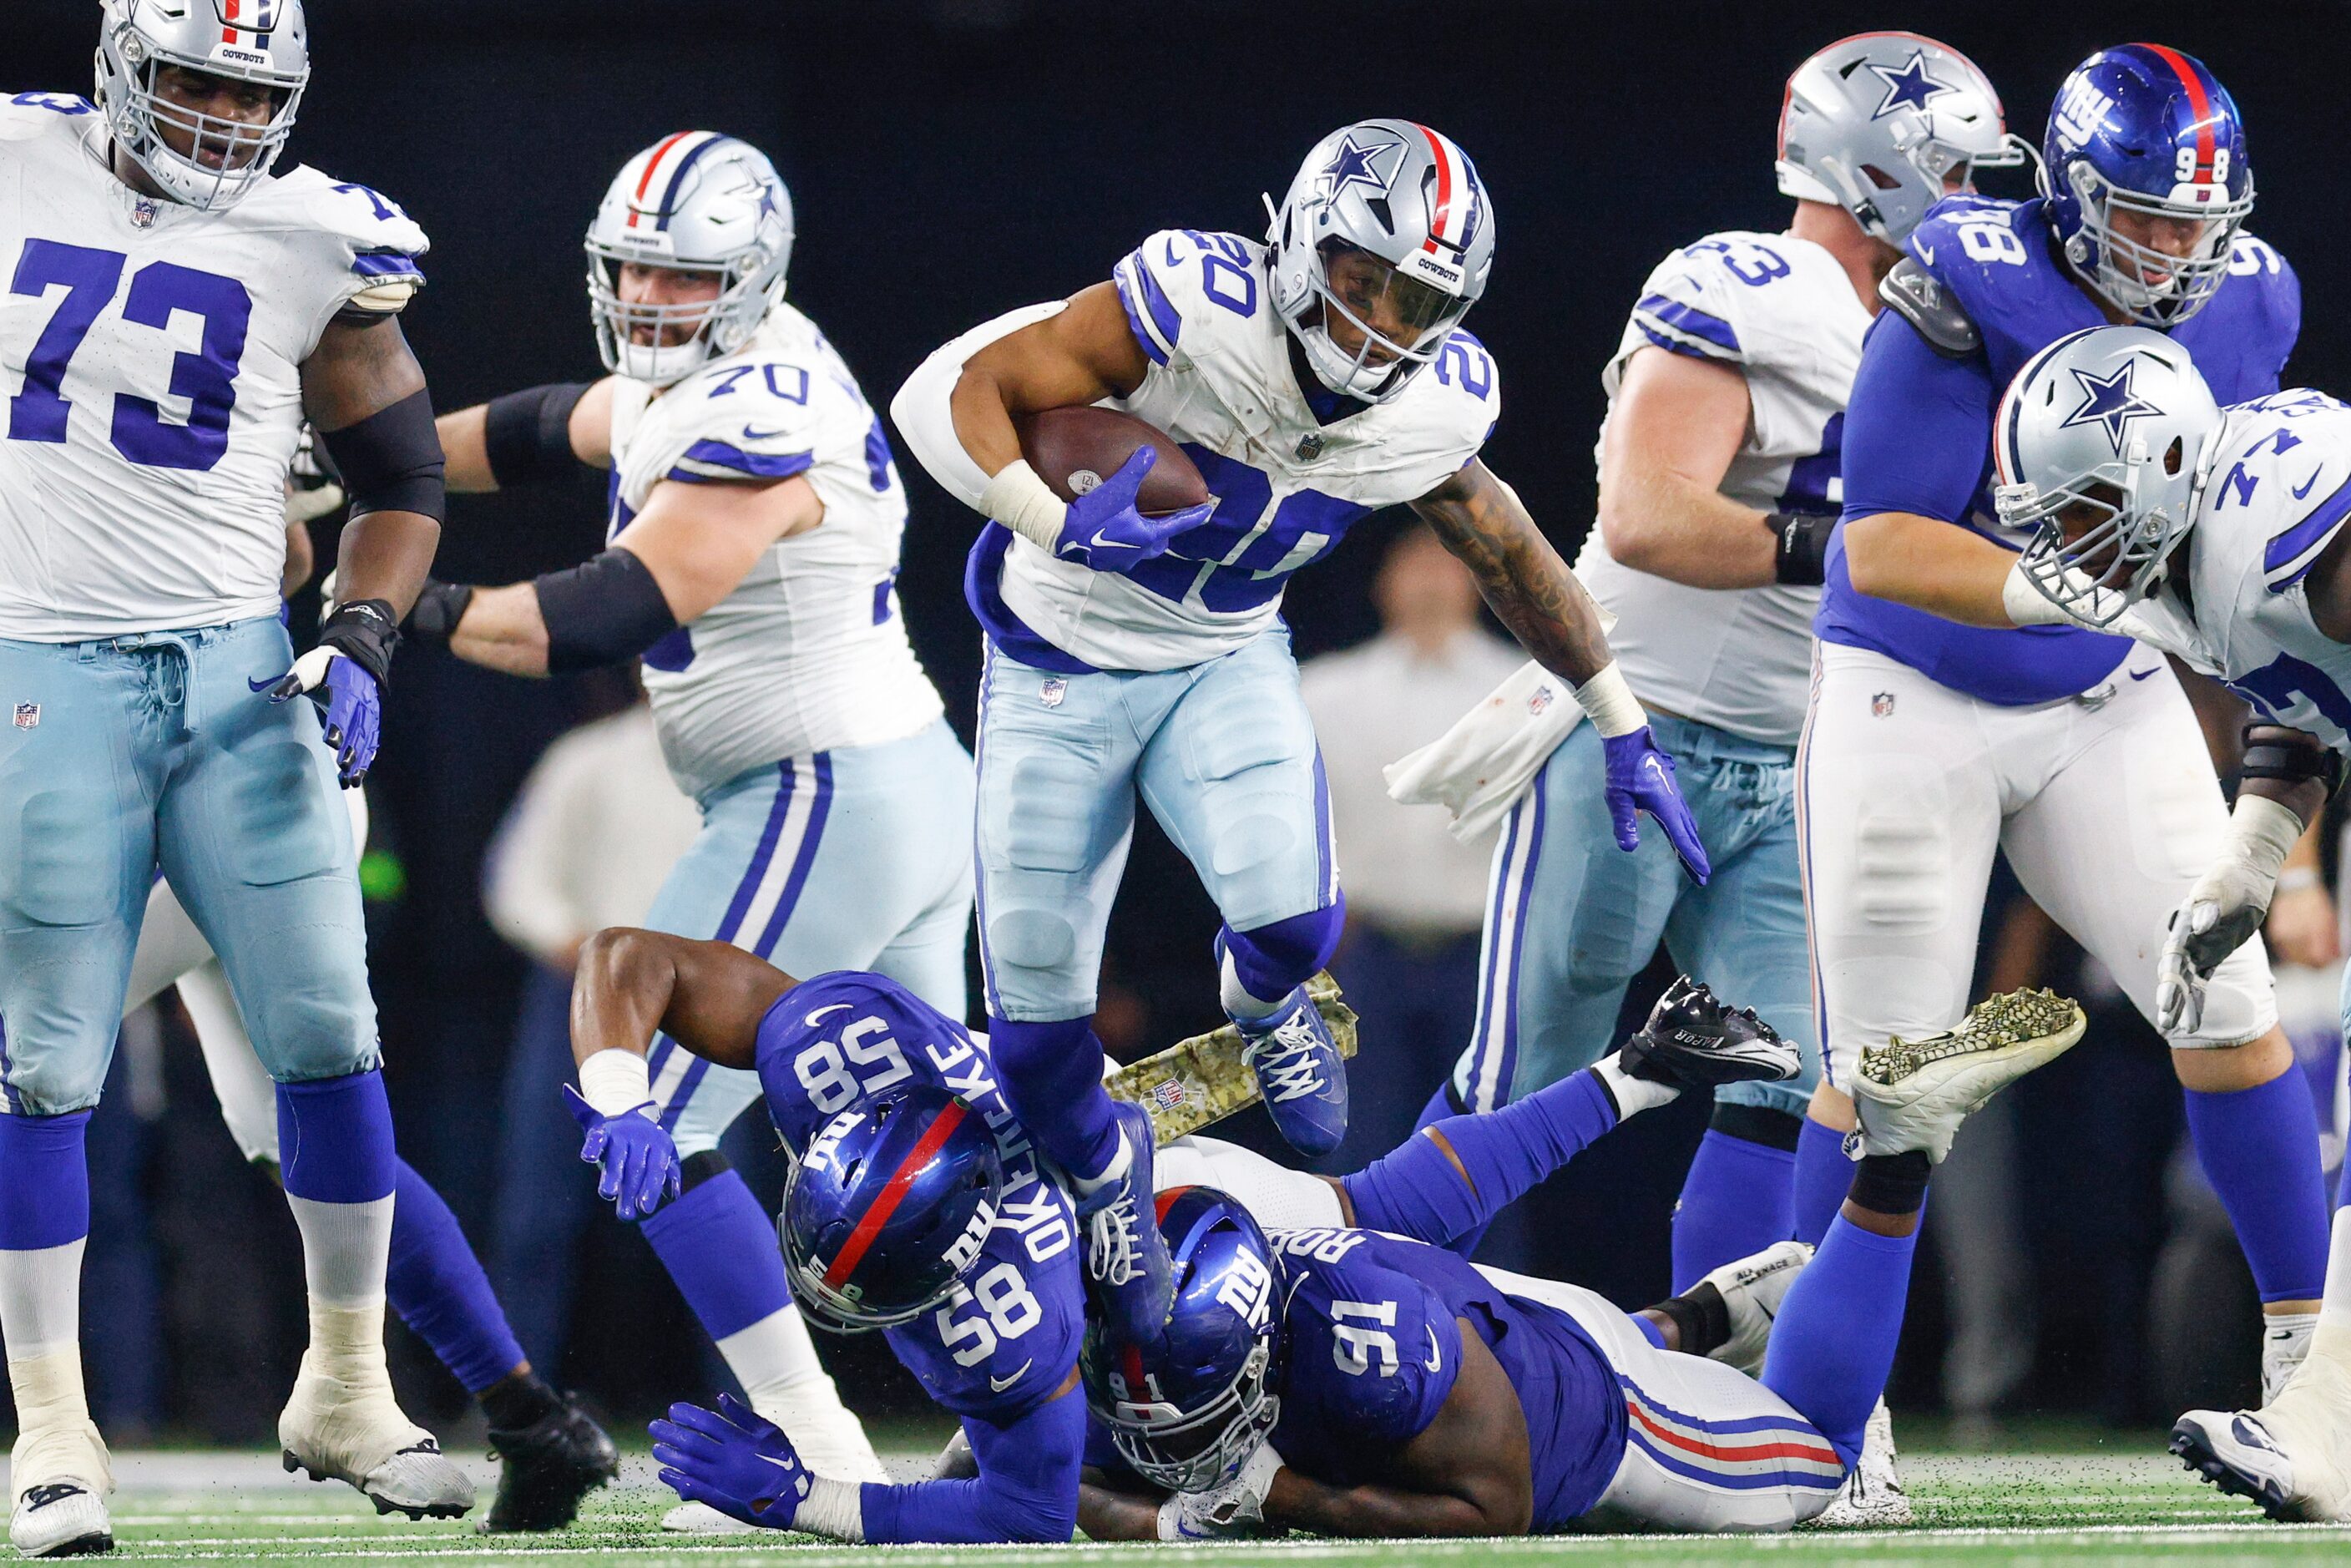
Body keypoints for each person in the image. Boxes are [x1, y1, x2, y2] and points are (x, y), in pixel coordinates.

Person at [890, 118, 1709, 1345]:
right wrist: (1048, 520)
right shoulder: (1191, 303)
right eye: (1361, 274)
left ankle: (1269, 1003)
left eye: (1418, 293)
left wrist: (1617, 716)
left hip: (1222, 653)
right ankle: (1106, 1206)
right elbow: (951, 393)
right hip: (1058, 654)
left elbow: (1507, 549)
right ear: (1297, 244)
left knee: (1292, 924)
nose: (1382, 316)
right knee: (1038, 1038)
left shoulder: (1437, 402)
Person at [407, 132, 973, 1519]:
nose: (654, 295)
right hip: (888, 778)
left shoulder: (763, 411)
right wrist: (373, 465)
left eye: (686, 273)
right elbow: (556, 423)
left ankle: (814, 1441)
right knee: (945, 1143)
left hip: (823, 785)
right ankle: (1062, 1412)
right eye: (637, 267)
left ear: (750, 281)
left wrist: (394, 597)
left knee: (654, 1110)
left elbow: (607, 611)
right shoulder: (710, 372)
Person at [1402, 33, 2019, 1304]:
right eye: (1954, 176)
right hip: (1637, 736)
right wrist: (1861, 549)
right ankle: (1348, 1336)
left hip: (1808, 757)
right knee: (1529, 1072)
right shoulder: (1752, 284)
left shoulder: (1956, 334)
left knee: (1787, 1088)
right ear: (1876, 174)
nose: (1975, 209)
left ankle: (1721, 1407)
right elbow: (1646, 514)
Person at [561, 928, 1791, 1541]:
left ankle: (1637, 1098)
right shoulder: (836, 1058)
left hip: (1152, 1214)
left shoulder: (1016, 1312)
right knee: (1382, 1223)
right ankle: (1668, 1282)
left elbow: (1030, 1508)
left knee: (1294, 1345)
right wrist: (618, 1087)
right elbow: (628, 957)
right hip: (1084, 1132)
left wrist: (818, 1501)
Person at [1800, 43, 2332, 1432]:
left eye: (2196, 225)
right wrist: (2060, 587)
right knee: (1886, 1074)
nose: (2174, 254)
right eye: (2148, 217)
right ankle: (1816, 1415)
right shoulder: (1969, 271)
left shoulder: (2249, 300)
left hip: (2104, 690)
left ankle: (2309, 1365)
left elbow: (2248, 597)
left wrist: (2283, 846)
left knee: (2228, 1006)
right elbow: (1883, 540)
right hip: (1910, 686)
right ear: (2078, 193)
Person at [0, 0, 472, 1550]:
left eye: (247, 91)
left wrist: (363, 632)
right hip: (40, 664)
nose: (216, 118)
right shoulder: (15, 153)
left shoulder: (321, 236)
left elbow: (400, 475)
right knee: (48, 1059)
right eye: (192, 80)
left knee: (332, 1028)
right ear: (123, 61)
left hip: (235, 673)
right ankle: (56, 1431)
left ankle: (347, 1386)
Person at [1074, 989, 2086, 1539]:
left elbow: (1491, 1498)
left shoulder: (1360, 1344)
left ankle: (1897, 1157)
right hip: (1480, 1318)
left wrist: (1268, 1493)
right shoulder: (1177, 1230)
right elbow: (1395, 1215)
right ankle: (1695, 1320)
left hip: (1580, 1405)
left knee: (1818, 1454)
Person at [103, 488, 621, 1532]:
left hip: (213, 782)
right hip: (224, 768)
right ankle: (525, 1412)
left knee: (40, 1044)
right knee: (297, 1139)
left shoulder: (162, 384)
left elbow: (310, 538)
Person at [1976, 325, 2351, 1518]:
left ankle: (2331, 1429)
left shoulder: (2280, 525)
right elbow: (2305, 693)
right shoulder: (2202, 563)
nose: (2067, 545)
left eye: (2088, 509)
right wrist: (2255, 855)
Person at [482, 684, 699, 1382]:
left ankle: (766, 1403)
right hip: (587, 997)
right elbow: (517, 882)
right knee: (537, 1213)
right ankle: (518, 1400)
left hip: (702, 1008)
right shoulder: (588, 758)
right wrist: (578, 946)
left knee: (725, 1207)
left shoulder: (750, 766)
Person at [1298, 524, 1520, 1162]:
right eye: (1412, 564)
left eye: (1444, 564)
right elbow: (1295, 820)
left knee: (1483, 1148)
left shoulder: (1523, 693)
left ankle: (1482, 1268)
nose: (1427, 582)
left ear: (1474, 583)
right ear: (1382, 584)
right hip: (1365, 952)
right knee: (1358, 1140)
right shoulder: (1323, 692)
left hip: (1483, 956)